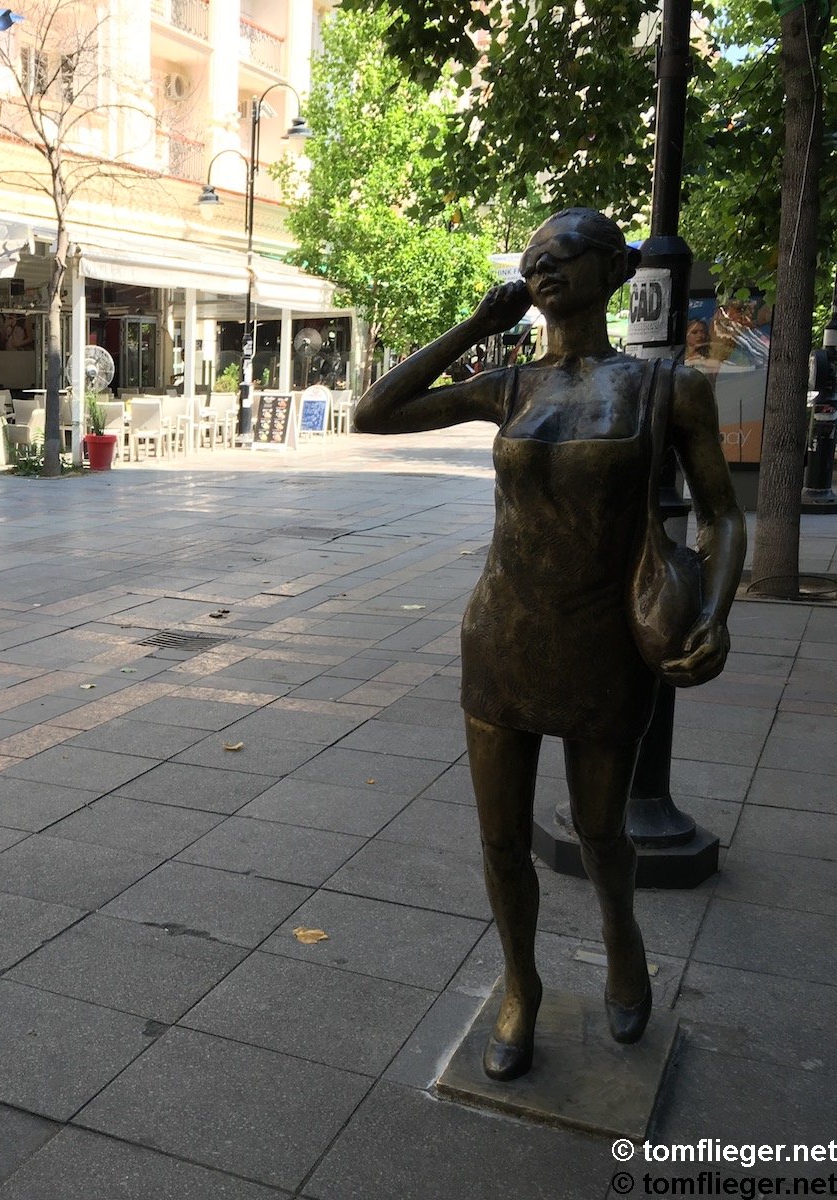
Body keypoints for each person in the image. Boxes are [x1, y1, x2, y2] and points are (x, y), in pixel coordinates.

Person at [354, 208, 746, 1081]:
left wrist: (714, 614)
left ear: (614, 269)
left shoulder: (667, 388)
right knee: (501, 839)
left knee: (602, 832)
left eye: (561, 255)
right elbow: (373, 413)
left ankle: (620, 936)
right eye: (531, 260)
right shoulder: (510, 387)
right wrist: (476, 326)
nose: (542, 270)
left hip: (606, 639)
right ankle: (520, 986)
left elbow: (722, 516)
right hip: (501, 633)